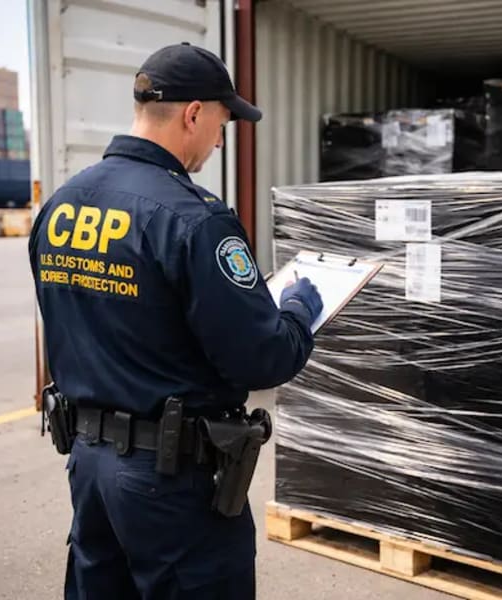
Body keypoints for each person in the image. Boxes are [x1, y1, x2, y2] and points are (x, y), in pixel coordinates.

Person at [27, 42, 323, 599]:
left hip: (90, 469)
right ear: (193, 114)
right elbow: (263, 357)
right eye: (220, 123)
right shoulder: (195, 219)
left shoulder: (62, 206)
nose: (218, 139)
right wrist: (300, 310)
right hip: (172, 482)